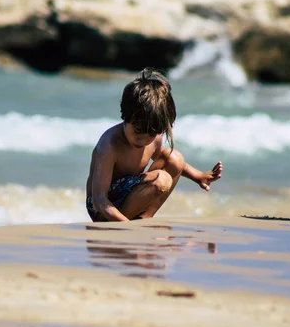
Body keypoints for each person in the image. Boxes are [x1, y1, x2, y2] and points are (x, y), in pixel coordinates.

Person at [85, 67, 223, 222]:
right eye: (137, 131)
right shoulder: (110, 145)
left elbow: (176, 164)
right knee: (161, 180)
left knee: (174, 158)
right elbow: (98, 198)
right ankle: (127, 224)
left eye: (150, 133)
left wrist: (198, 176)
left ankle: (143, 219)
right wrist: (124, 225)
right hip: (102, 208)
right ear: (125, 115)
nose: (142, 140)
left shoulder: (154, 139)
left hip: (129, 193)